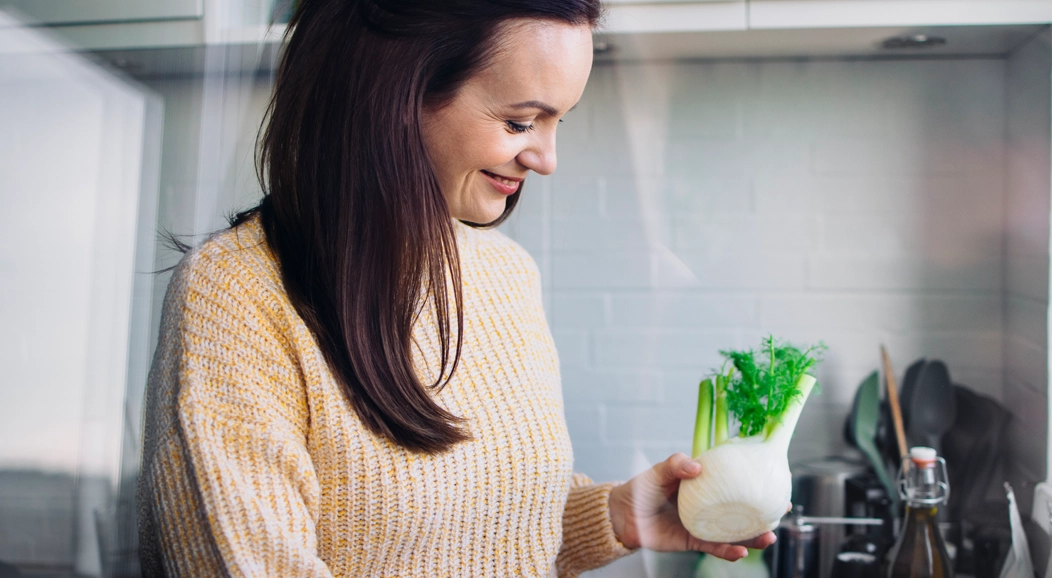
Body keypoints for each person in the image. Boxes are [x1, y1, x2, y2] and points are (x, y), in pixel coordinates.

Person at [136, 1, 774, 575]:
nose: (547, 158)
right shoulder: (238, 295)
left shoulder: (506, 276)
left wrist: (611, 515)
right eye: (522, 122)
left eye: (559, 122)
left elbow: (493, 535)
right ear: (397, 94)